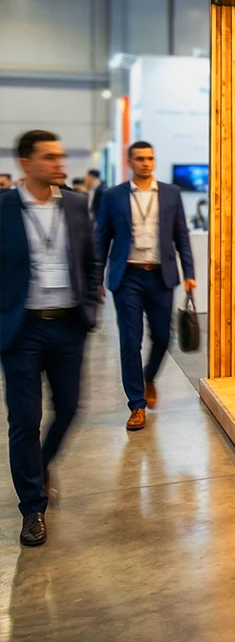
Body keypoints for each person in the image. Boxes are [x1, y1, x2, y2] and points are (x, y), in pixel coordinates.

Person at [0, 131, 100, 546]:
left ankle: (39, 464)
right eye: (50, 157)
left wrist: (91, 303)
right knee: (24, 420)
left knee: (70, 408)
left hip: (67, 325)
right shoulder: (3, 207)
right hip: (22, 329)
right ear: (27, 164)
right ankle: (32, 508)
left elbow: (91, 259)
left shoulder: (76, 205)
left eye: (61, 155)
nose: (61, 163)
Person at [96, 141, 196, 430]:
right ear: (130, 162)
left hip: (160, 276)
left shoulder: (171, 194)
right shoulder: (113, 196)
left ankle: (148, 376)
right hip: (127, 277)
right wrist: (97, 279)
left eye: (150, 158)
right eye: (140, 159)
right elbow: (101, 239)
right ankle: (136, 406)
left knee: (163, 337)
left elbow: (182, 237)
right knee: (130, 341)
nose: (146, 163)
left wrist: (189, 272)